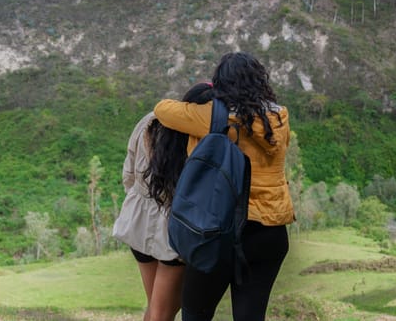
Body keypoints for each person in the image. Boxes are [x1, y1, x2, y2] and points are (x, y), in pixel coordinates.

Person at [153, 52, 295, 321]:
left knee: (196, 313)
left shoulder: (211, 118)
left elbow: (162, 109)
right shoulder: (279, 119)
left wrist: (209, 95)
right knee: (251, 316)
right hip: (270, 232)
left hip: (219, 232)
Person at [113, 83, 214, 321]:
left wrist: (138, 200)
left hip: (137, 219)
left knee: (156, 307)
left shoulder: (150, 121)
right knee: (163, 311)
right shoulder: (202, 134)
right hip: (171, 229)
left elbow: (128, 172)